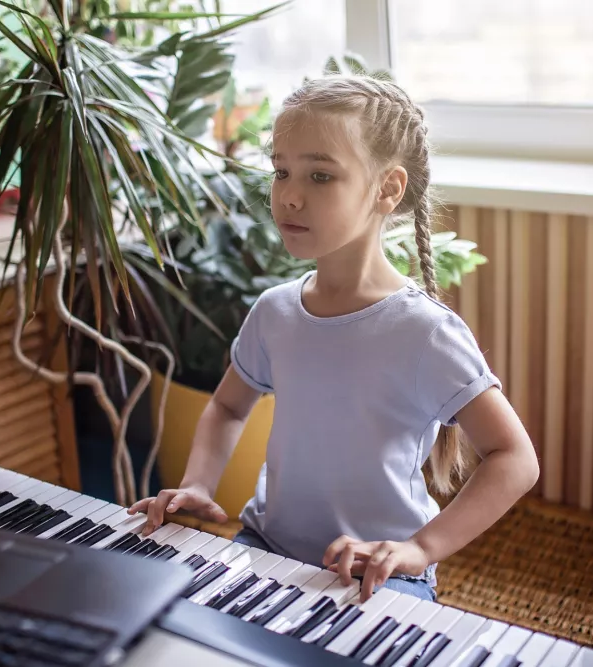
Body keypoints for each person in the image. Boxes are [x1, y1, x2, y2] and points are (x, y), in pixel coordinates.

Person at [129, 75, 539, 603]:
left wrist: (420, 548)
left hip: (380, 575)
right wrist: (199, 484)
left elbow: (514, 458)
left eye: (320, 175)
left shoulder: (424, 332)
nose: (289, 197)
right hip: (266, 548)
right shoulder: (275, 311)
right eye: (281, 172)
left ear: (387, 189)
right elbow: (229, 408)